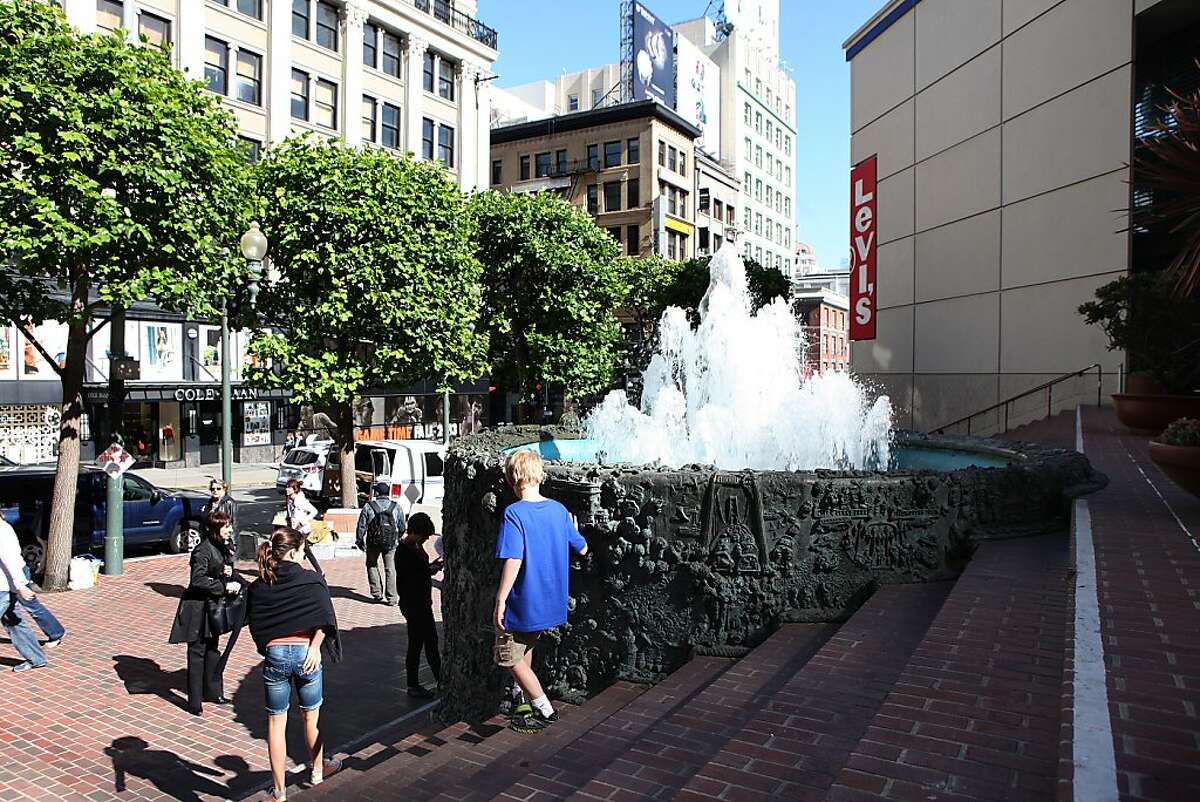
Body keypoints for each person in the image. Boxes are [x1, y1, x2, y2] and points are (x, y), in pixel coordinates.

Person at [493, 450, 587, 733]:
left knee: (507, 656)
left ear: (512, 480)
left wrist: (500, 599)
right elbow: (582, 548)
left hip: (525, 599)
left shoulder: (514, 513)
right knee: (525, 645)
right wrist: (574, 529)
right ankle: (521, 698)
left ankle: (544, 708)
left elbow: (514, 558)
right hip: (552, 600)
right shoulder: (559, 511)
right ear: (540, 476)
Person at [248, 527, 343, 801]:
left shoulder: (262, 584)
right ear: (292, 552)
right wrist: (315, 646)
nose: (303, 556)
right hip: (307, 654)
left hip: (275, 655)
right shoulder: (311, 581)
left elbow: (256, 620)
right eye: (301, 551)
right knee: (311, 717)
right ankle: (318, 770)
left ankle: (278, 791)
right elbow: (326, 617)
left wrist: (269, 645)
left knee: (275, 724)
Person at [169, 511, 243, 715]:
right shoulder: (202, 550)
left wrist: (227, 573)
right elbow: (197, 580)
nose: (229, 529)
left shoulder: (222, 546)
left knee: (212, 650)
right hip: (197, 608)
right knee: (197, 653)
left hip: (212, 608)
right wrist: (223, 586)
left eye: (230, 525)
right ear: (213, 529)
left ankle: (213, 691)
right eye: (226, 526)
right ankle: (195, 701)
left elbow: (220, 569)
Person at [395, 512, 442, 699]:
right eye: (424, 535)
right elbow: (413, 576)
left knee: (427, 641)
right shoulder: (405, 551)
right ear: (415, 532)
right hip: (414, 603)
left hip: (420, 601)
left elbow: (419, 572)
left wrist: (429, 568)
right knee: (420, 643)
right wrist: (428, 570)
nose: (426, 539)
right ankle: (415, 684)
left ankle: (436, 679)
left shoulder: (414, 547)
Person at [0, 517, 48, 672]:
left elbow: (10, 560)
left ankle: (36, 658)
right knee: (14, 622)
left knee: (13, 620)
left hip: (4, 586)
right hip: (8, 585)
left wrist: (20, 585)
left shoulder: (3, 531)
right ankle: (36, 658)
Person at [355, 481, 403, 606]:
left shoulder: (368, 506)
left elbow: (361, 526)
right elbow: (402, 526)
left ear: (377, 493)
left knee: (372, 565)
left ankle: (377, 593)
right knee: (390, 568)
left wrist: (359, 540)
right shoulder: (396, 506)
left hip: (373, 542)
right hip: (391, 543)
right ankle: (392, 598)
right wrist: (398, 537)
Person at [19, 562, 65, 648]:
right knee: (9, 613)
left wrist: (20, 586)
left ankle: (56, 633)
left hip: (15, 574)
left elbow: (9, 559)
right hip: (8, 575)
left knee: (31, 606)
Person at [283, 479, 323, 575]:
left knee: (296, 549)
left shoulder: (301, 500)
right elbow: (290, 514)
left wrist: (302, 521)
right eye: (286, 487)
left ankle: (317, 571)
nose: (286, 489)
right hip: (294, 529)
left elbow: (314, 511)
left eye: (289, 487)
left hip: (302, 529)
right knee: (304, 550)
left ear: (294, 489)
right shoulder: (289, 499)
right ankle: (319, 571)